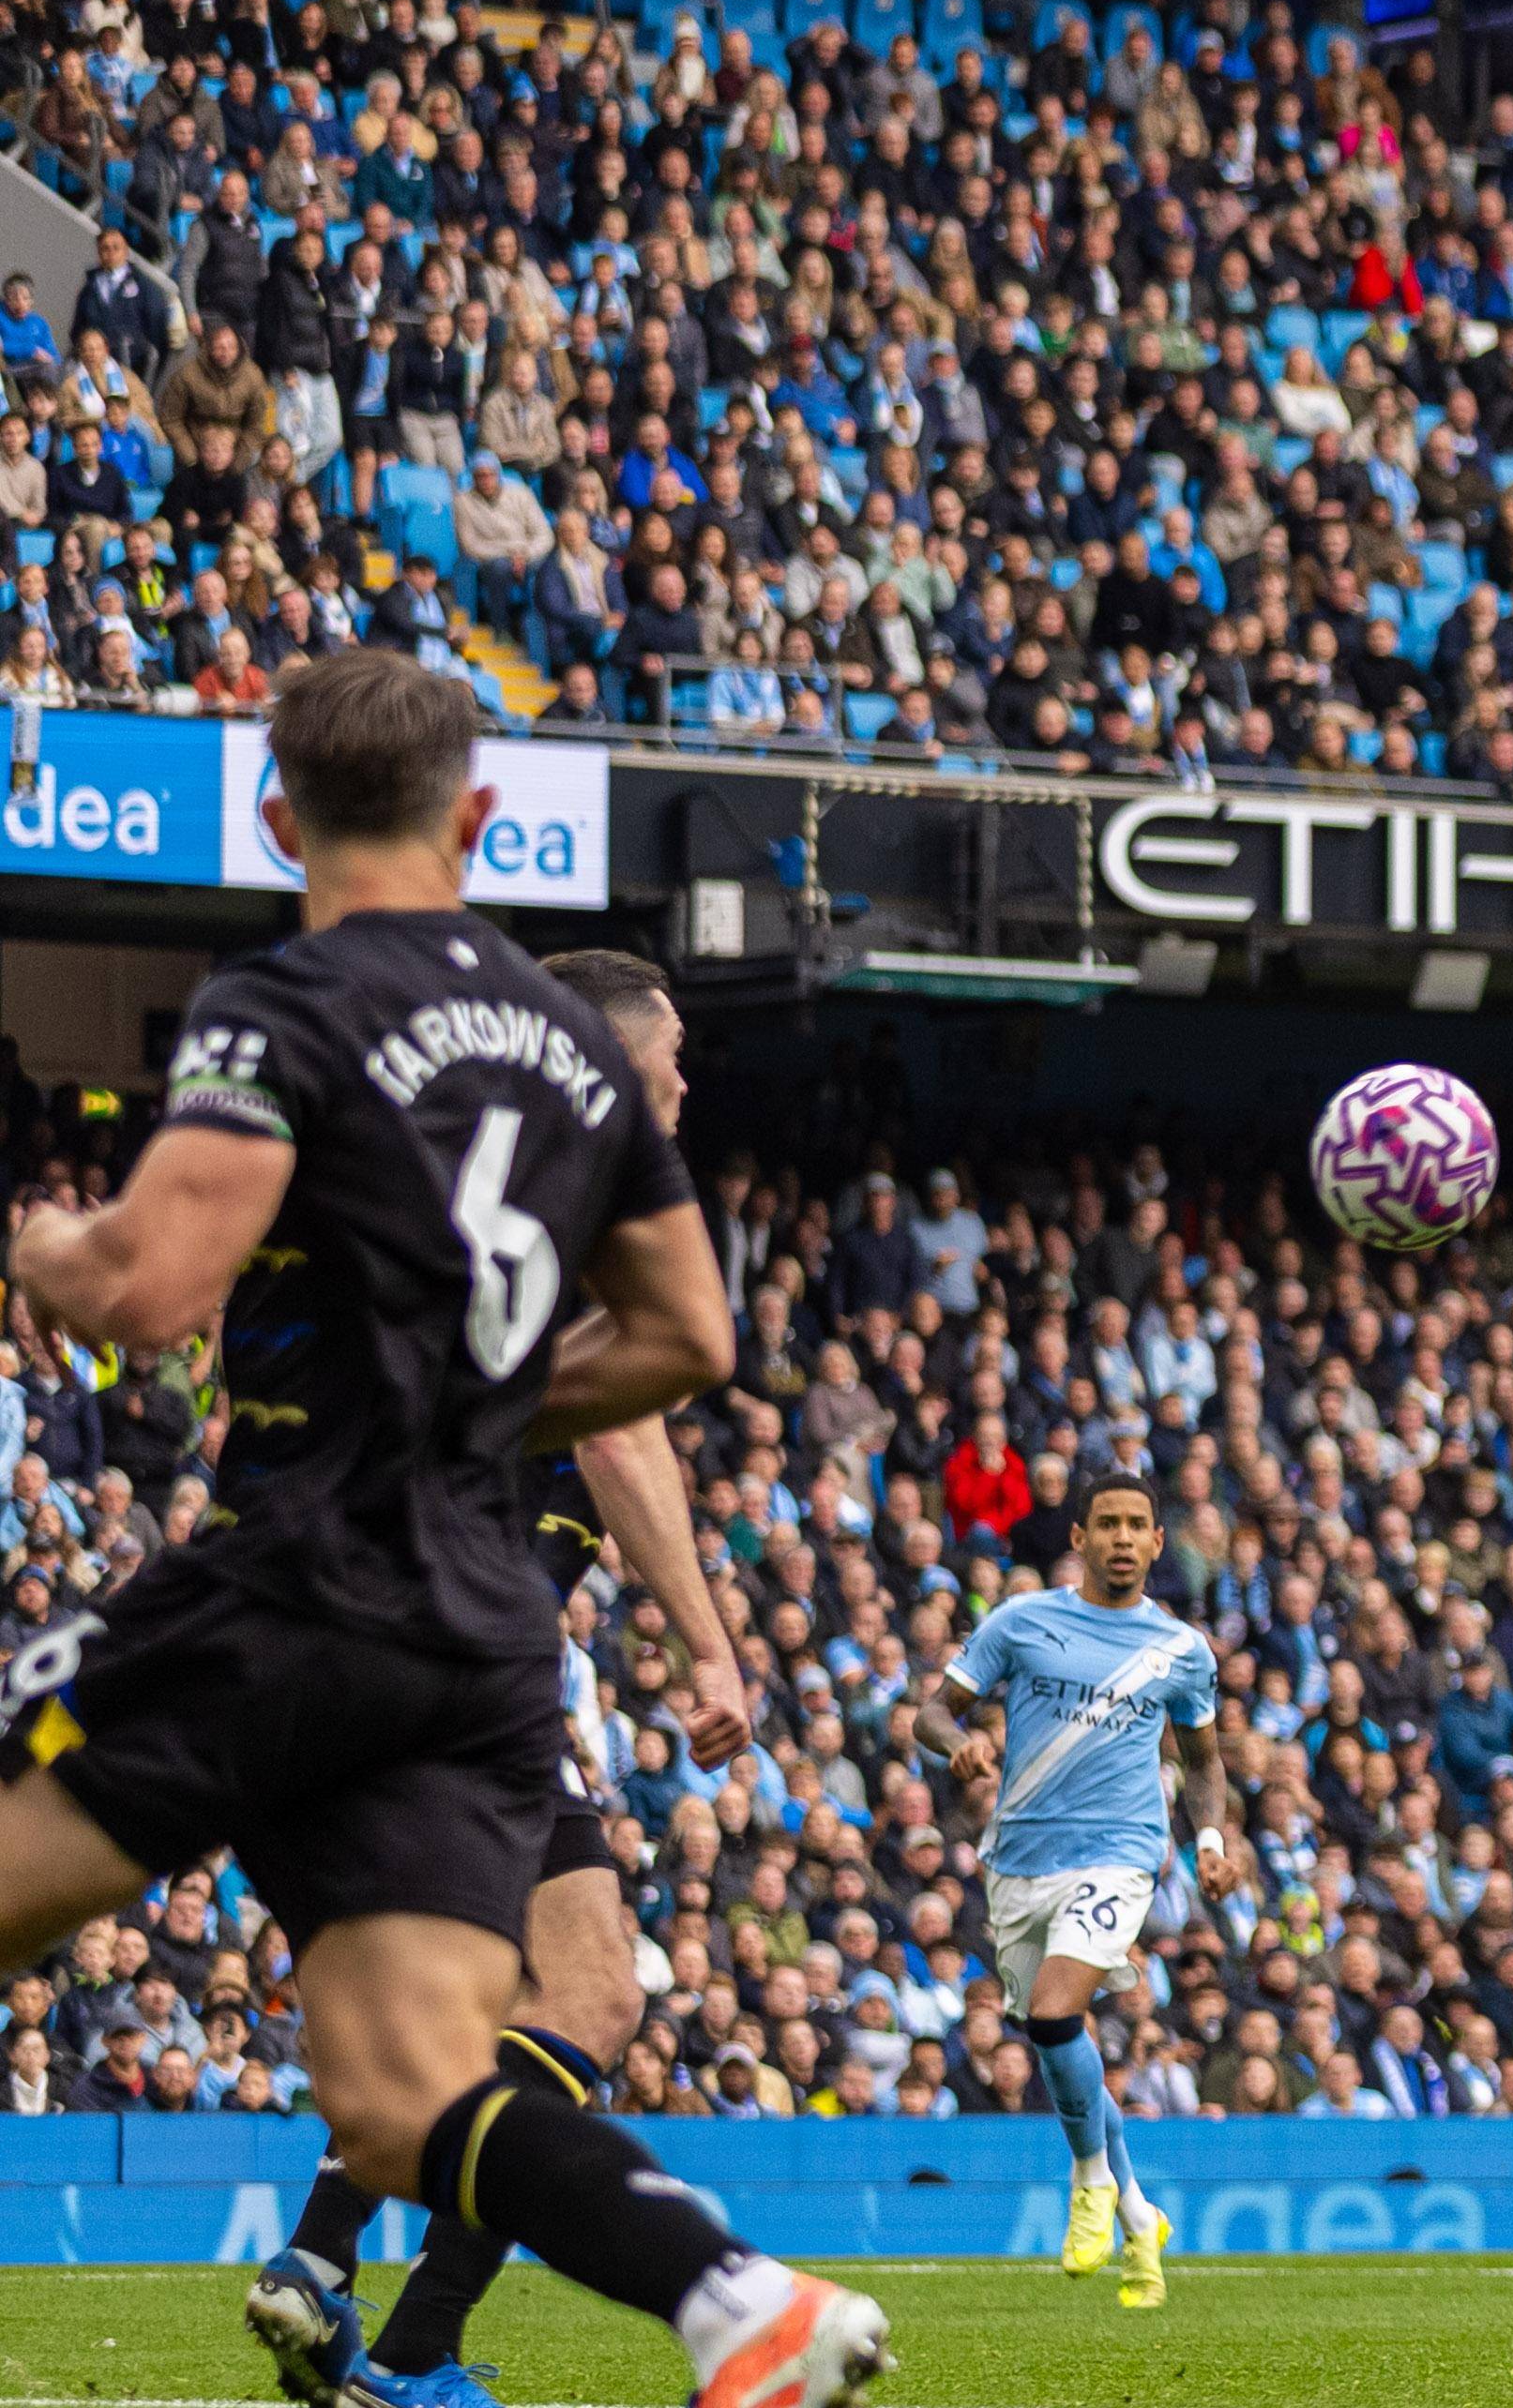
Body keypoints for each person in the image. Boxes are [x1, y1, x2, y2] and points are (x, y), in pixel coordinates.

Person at [0, 652, 888, 2408]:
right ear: (478, 821)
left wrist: (36, 1242)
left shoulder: (286, 1005)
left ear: (276, 819)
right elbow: (691, 1339)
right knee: (411, 2093)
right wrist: (474, 1416)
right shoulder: (575, 1048)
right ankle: (732, 2300)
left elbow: (154, 1289)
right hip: (482, 1636)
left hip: (291, 1582)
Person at [250, 950, 761, 2408]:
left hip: (343, 1647)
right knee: (591, 2000)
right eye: (670, 1058)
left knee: (475, 2010)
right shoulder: (582, 1188)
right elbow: (623, 1437)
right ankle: (404, 2344)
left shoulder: (425, 1175)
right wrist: (707, 1641)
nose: (683, 1084)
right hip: (453, 1663)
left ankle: (325, 2273)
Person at [906, 1471, 1236, 2310]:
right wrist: (962, 1746)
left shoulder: (1181, 1649)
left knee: (1054, 2014)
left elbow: (1201, 1761)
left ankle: (1089, 2180)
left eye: (1139, 1525)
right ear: (1081, 1538)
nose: (1124, 1538)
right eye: (1108, 1525)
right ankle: (1137, 2214)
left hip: (1122, 1854)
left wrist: (1207, 1840)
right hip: (1017, 1859)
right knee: (1060, 2048)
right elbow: (931, 1715)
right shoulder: (1023, 1621)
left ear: (1159, 1543)